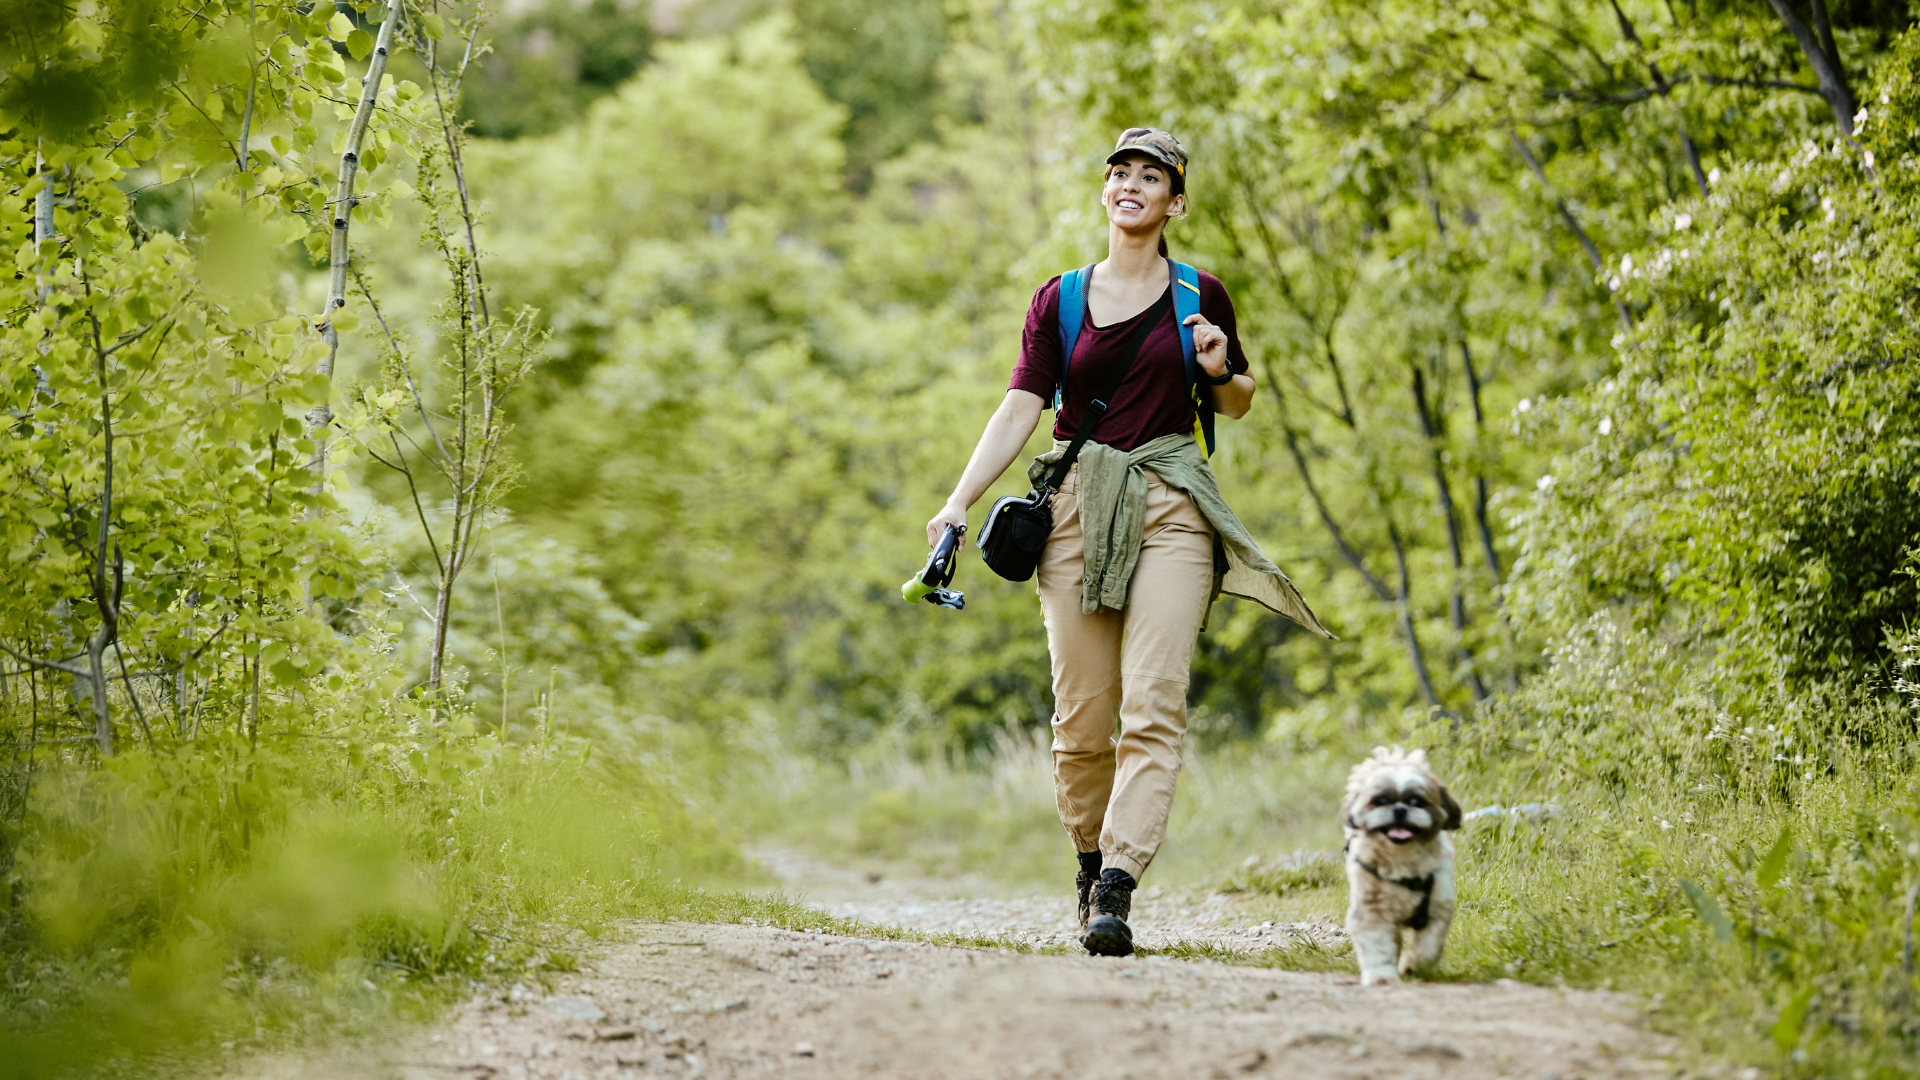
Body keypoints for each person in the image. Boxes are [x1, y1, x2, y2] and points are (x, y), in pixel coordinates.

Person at [925, 128, 1334, 957]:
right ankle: (1087, 862)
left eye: (1152, 177)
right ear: (1105, 192)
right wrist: (958, 501)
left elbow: (1239, 401)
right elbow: (1020, 407)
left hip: (1173, 504)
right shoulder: (1060, 299)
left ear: (1174, 202)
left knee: (1155, 702)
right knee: (1080, 723)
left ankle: (1117, 885)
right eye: (1121, 174)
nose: (1133, 186)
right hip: (1076, 508)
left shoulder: (1199, 293)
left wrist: (1218, 367)